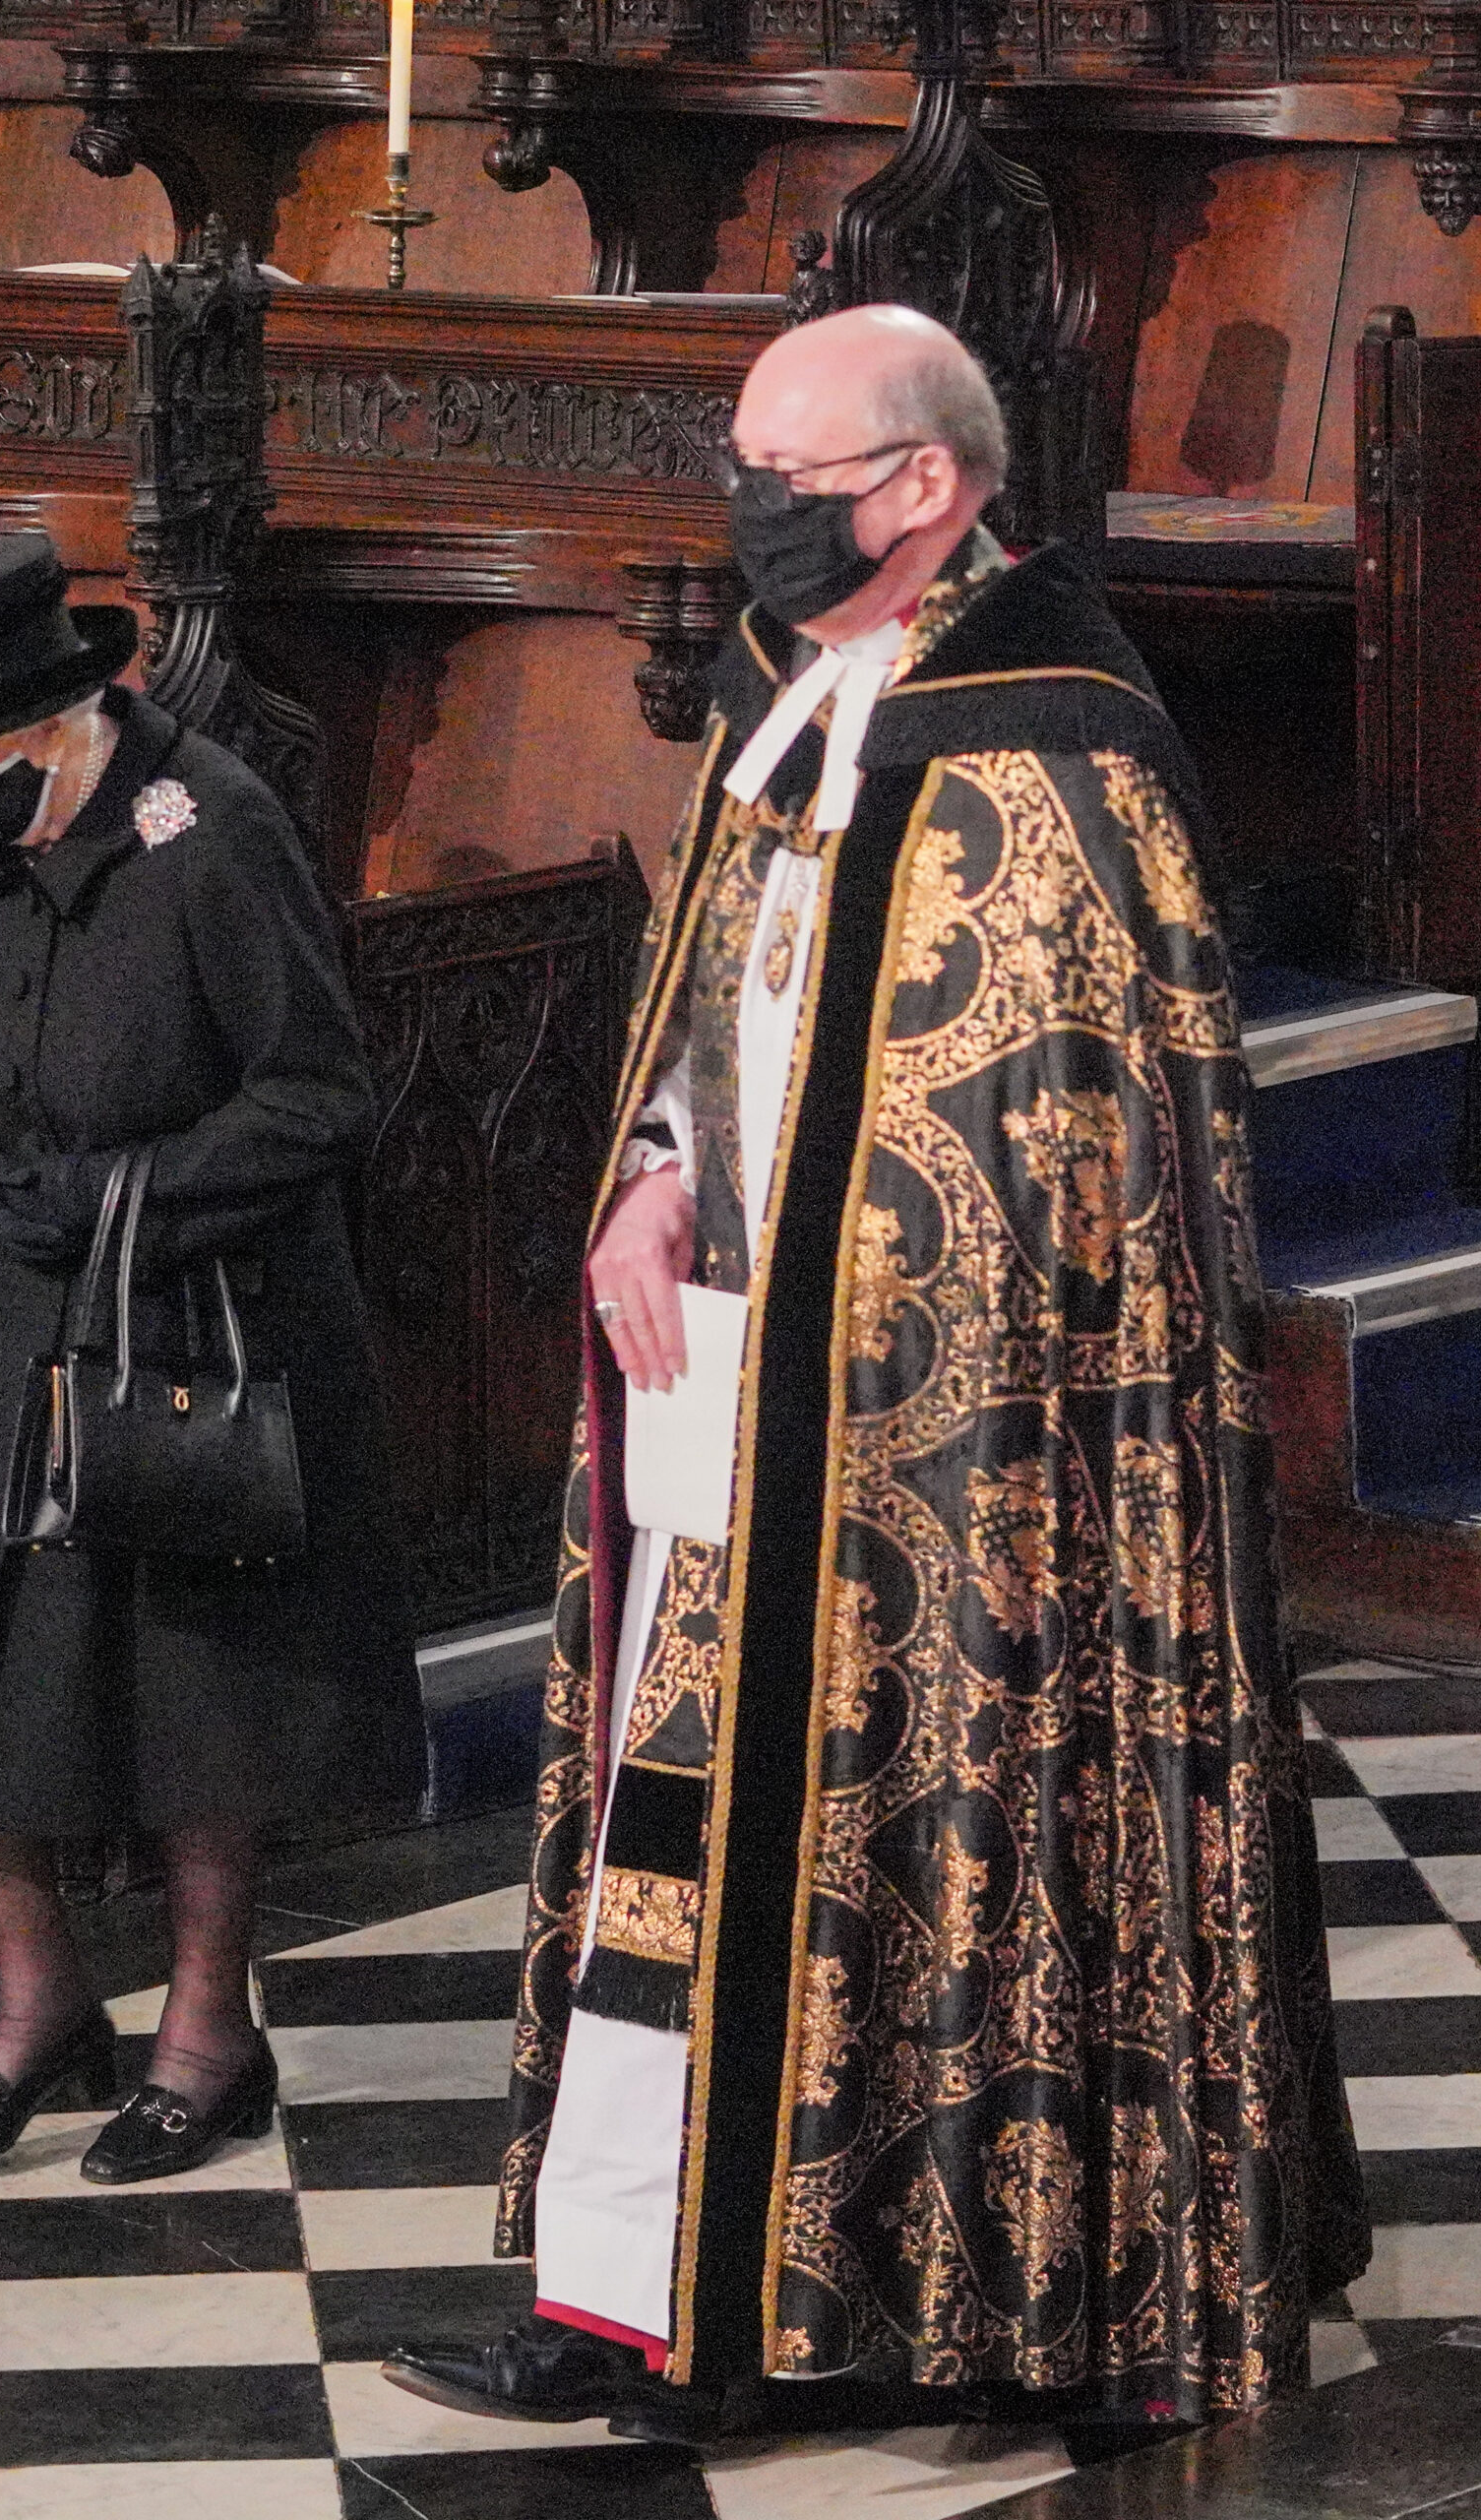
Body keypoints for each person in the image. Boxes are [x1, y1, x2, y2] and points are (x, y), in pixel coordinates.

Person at [385, 308, 1369, 2444]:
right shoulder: (776, 692)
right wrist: (652, 1177)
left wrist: (893, 1318)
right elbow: (727, 1012)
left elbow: (1095, 1152)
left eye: (787, 472)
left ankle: (922, 2300)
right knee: (672, 1843)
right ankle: (630, 2292)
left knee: (919, 1852)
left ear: (926, 485)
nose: (745, 511)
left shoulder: (1060, 744)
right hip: (730, 1395)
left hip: (960, 1460)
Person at [0, 532, 424, 2184]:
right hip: (11, 1298)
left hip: (199, 1318)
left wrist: (116, 1192)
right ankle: (40, 2010)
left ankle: (208, 2038)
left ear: (44, 720)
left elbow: (318, 1097)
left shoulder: (214, 834)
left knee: (191, 1700)